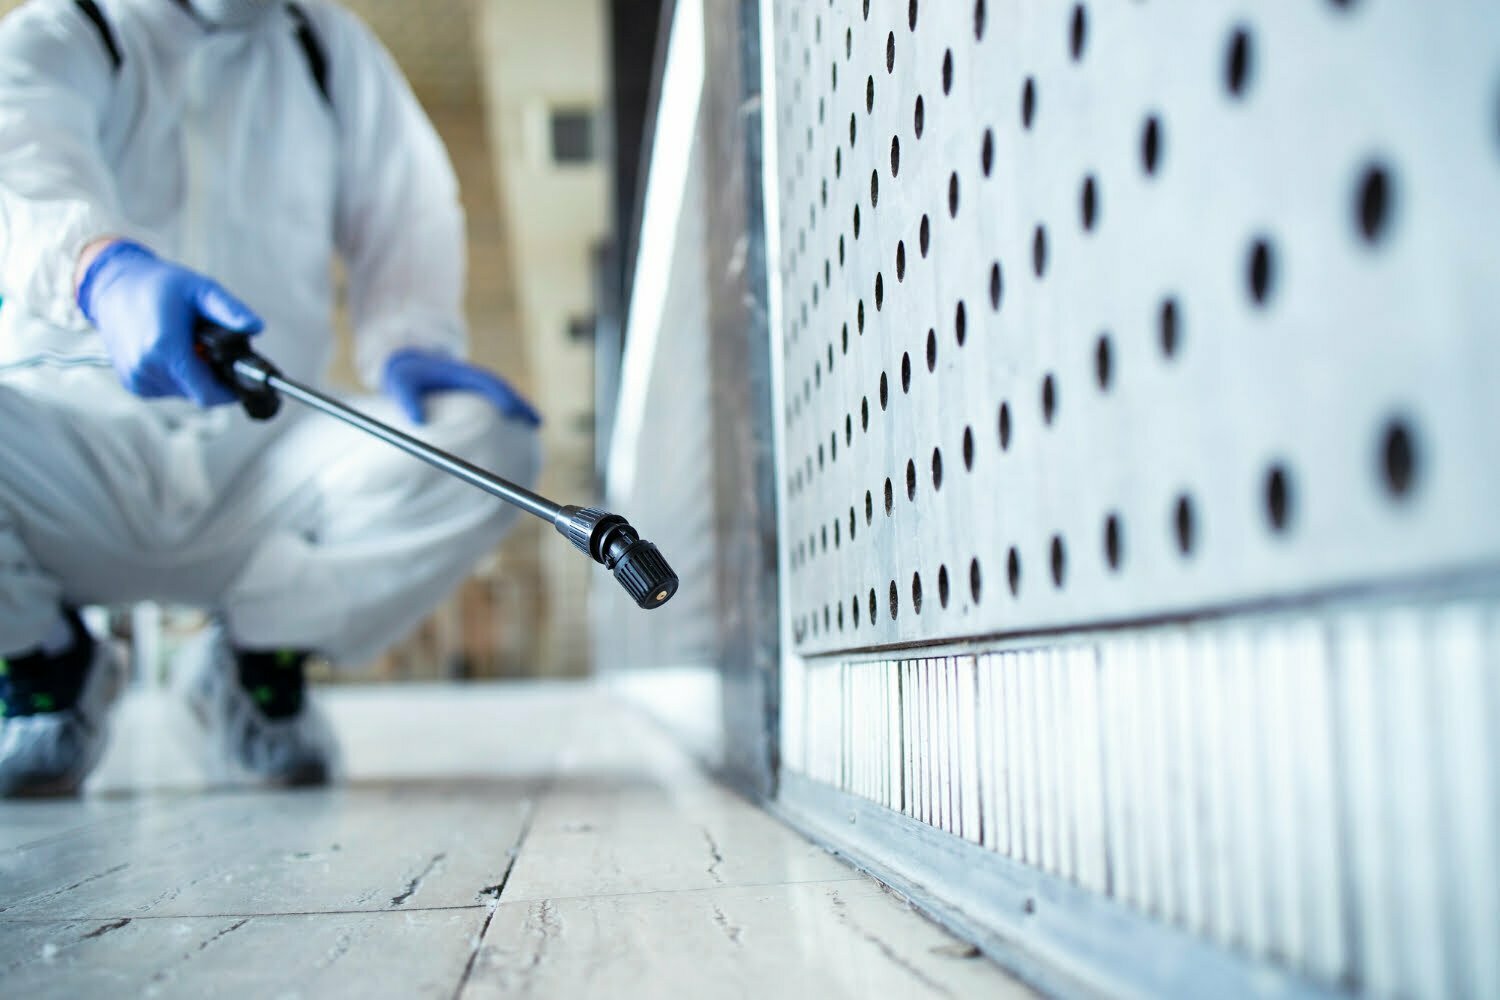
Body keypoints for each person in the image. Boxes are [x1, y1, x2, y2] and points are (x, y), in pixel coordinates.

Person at [0, 0, 542, 795]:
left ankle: (257, 662)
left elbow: (407, 199)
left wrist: (410, 337)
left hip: (266, 457)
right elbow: (19, 153)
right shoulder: (70, 27)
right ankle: (43, 660)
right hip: (69, 456)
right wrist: (99, 269)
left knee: (486, 441)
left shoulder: (327, 51)